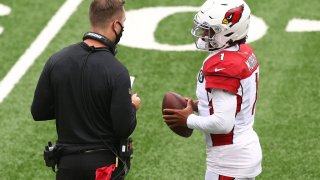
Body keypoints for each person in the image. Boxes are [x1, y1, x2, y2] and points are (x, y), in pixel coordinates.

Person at [31, 0, 141, 179]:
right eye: (123, 23)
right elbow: (123, 127)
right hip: (102, 169)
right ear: (115, 25)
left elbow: (38, 111)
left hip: (67, 167)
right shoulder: (117, 71)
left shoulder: (57, 60)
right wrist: (132, 107)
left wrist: (71, 104)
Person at [163, 0, 262, 179]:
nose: (202, 34)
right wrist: (198, 105)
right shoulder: (242, 52)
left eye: (210, 30)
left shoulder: (223, 64)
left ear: (229, 31)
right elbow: (235, 103)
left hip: (229, 161)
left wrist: (188, 120)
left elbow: (223, 123)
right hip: (241, 151)